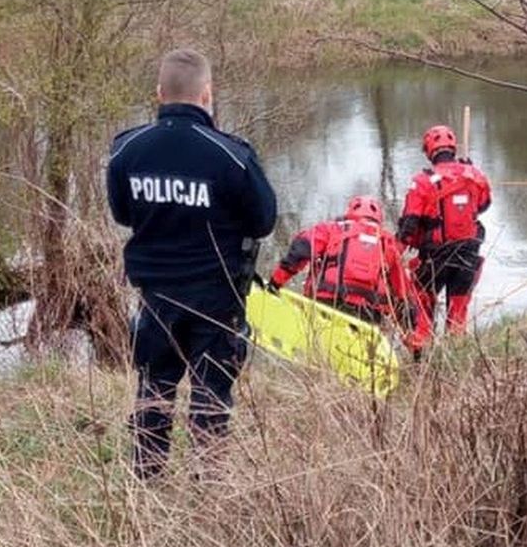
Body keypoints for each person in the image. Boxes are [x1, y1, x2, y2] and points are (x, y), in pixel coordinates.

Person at [106, 48, 277, 479]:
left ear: (159, 94)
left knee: (154, 389)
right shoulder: (231, 156)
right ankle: (208, 490)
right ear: (207, 95)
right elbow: (263, 222)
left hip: (155, 297)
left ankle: (147, 481)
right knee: (210, 396)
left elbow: (123, 214)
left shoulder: (127, 151)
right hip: (216, 299)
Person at [397, 125, 492, 348]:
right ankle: (456, 360)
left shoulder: (421, 181)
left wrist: (393, 253)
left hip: (435, 257)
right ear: (453, 147)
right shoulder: (474, 175)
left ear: (429, 151)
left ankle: (422, 362)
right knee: (457, 317)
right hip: (468, 254)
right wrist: (470, 177)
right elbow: (484, 204)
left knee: (422, 308)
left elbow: (409, 223)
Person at [267, 195, 415, 330]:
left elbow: (300, 251)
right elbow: (403, 293)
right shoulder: (387, 243)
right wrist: (414, 345)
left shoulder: (331, 229)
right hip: (368, 314)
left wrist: (275, 283)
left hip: (327, 303)